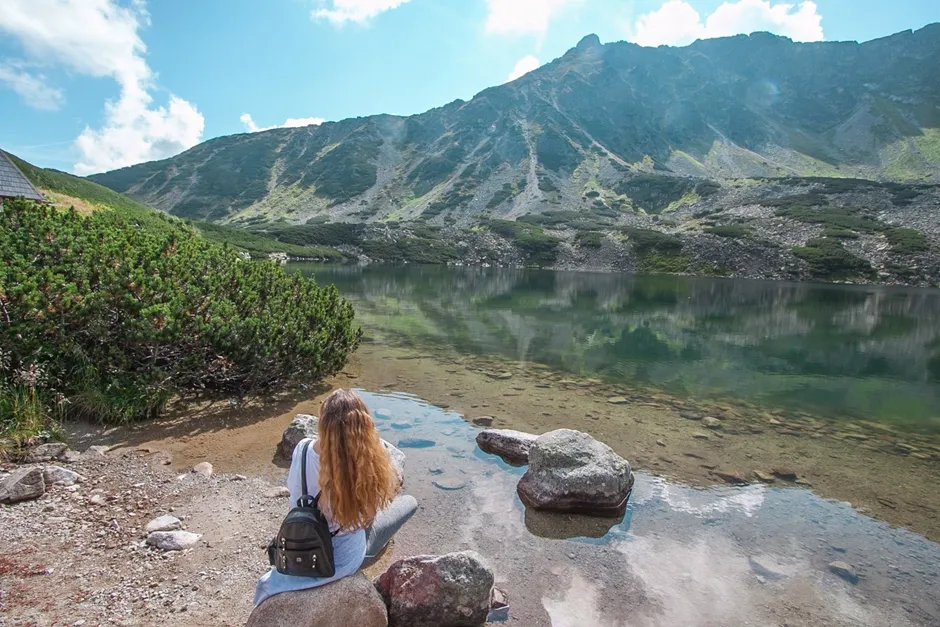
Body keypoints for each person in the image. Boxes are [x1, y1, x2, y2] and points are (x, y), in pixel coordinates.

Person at [254, 389, 418, 605]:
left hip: (305, 540)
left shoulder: (302, 449)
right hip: (341, 560)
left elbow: (295, 494)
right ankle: (372, 553)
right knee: (409, 503)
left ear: (322, 422)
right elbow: (369, 514)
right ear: (363, 424)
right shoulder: (368, 458)